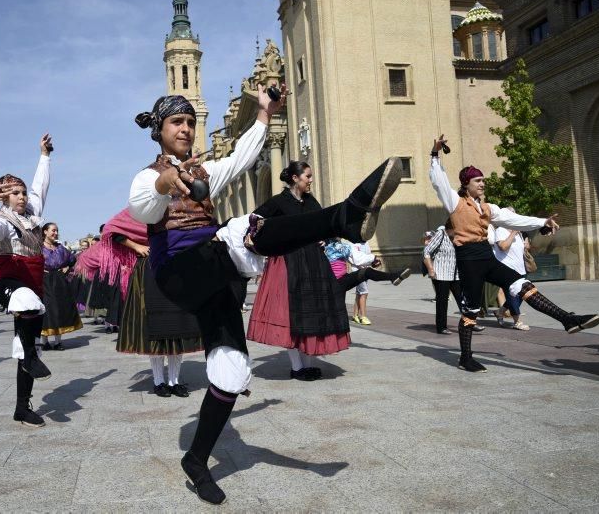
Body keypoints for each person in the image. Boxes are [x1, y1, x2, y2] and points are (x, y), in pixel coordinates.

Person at [129, 84, 404, 504]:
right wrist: (166, 183)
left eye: (189, 122)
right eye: (175, 122)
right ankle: (345, 217)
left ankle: (197, 460)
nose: (184, 129)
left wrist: (263, 114)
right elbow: (142, 209)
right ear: (159, 130)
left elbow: (239, 159)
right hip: (180, 271)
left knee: (232, 370)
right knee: (246, 231)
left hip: (216, 273)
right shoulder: (149, 176)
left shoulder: (202, 171)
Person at [429, 134, 599, 373]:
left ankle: (567, 319)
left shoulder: (488, 208)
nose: (482, 184)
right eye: (477, 180)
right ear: (466, 183)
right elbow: (438, 182)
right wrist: (435, 154)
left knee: (523, 285)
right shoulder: (454, 202)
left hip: (487, 258)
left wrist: (542, 221)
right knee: (470, 311)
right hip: (468, 261)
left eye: (483, 180)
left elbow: (514, 219)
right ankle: (465, 358)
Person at [248, 162, 407, 381]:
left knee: (312, 312)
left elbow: (324, 223)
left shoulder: (312, 201)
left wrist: (324, 237)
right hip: (288, 261)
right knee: (291, 315)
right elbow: (254, 221)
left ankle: (308, 365)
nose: (311, 180)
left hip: (314, 261)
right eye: (308, 176)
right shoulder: (278, 202)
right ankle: (296, 368)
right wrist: (264, 244)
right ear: (295, 178)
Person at [0, 133, 55, 428]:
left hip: (33, 281)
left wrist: (45, 156)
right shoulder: (1, 220)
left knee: (26, 343)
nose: (22, 197)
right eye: (15, 194)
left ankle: (22, 407)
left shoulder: (33, 215)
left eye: (22, 193)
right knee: (25, 301)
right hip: (7, 276)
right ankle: (33, 356)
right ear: (3, 197)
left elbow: (40, 186)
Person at [103, 209, 203, 397]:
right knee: (155, 328)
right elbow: (112, 231)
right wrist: (136, 246)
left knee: (177, 327)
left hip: (176, 268)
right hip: (148, 269)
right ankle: (159, 381)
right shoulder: (140, 208)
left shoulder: (176, 207)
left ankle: (174, 381)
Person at [40, 222, 82, 350]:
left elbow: (73, 259)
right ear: (45, 232)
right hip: (45, 281)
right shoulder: (38, 248)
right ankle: (44, 341)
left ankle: (58, 341)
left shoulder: (61, 248)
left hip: (60, 282)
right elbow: (31, 262)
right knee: (46, 309)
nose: (56, 233)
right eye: (53, 230)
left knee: (60, 308)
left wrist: (67, 267)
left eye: (57, 230)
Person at [492, 212, 532, 330]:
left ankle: (500, 311)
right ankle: (517, 321)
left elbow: (523, 249)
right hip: (507, 269)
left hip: (520, 268)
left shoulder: (519, 232)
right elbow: (503, 246)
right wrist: (513, 233)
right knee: (512, 296)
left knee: (522, 294)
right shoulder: (500, 230)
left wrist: (526, 245)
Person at [423, 220, 462, 335]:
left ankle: (470, 323)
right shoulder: (441, 234)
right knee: (442, 302)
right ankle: (441, 327)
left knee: (463, 300)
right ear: (449, 229)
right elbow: (426, 251)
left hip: (456, 274)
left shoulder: (459, 237)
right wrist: (430, 269)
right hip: (441, 274)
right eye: (455, 230)